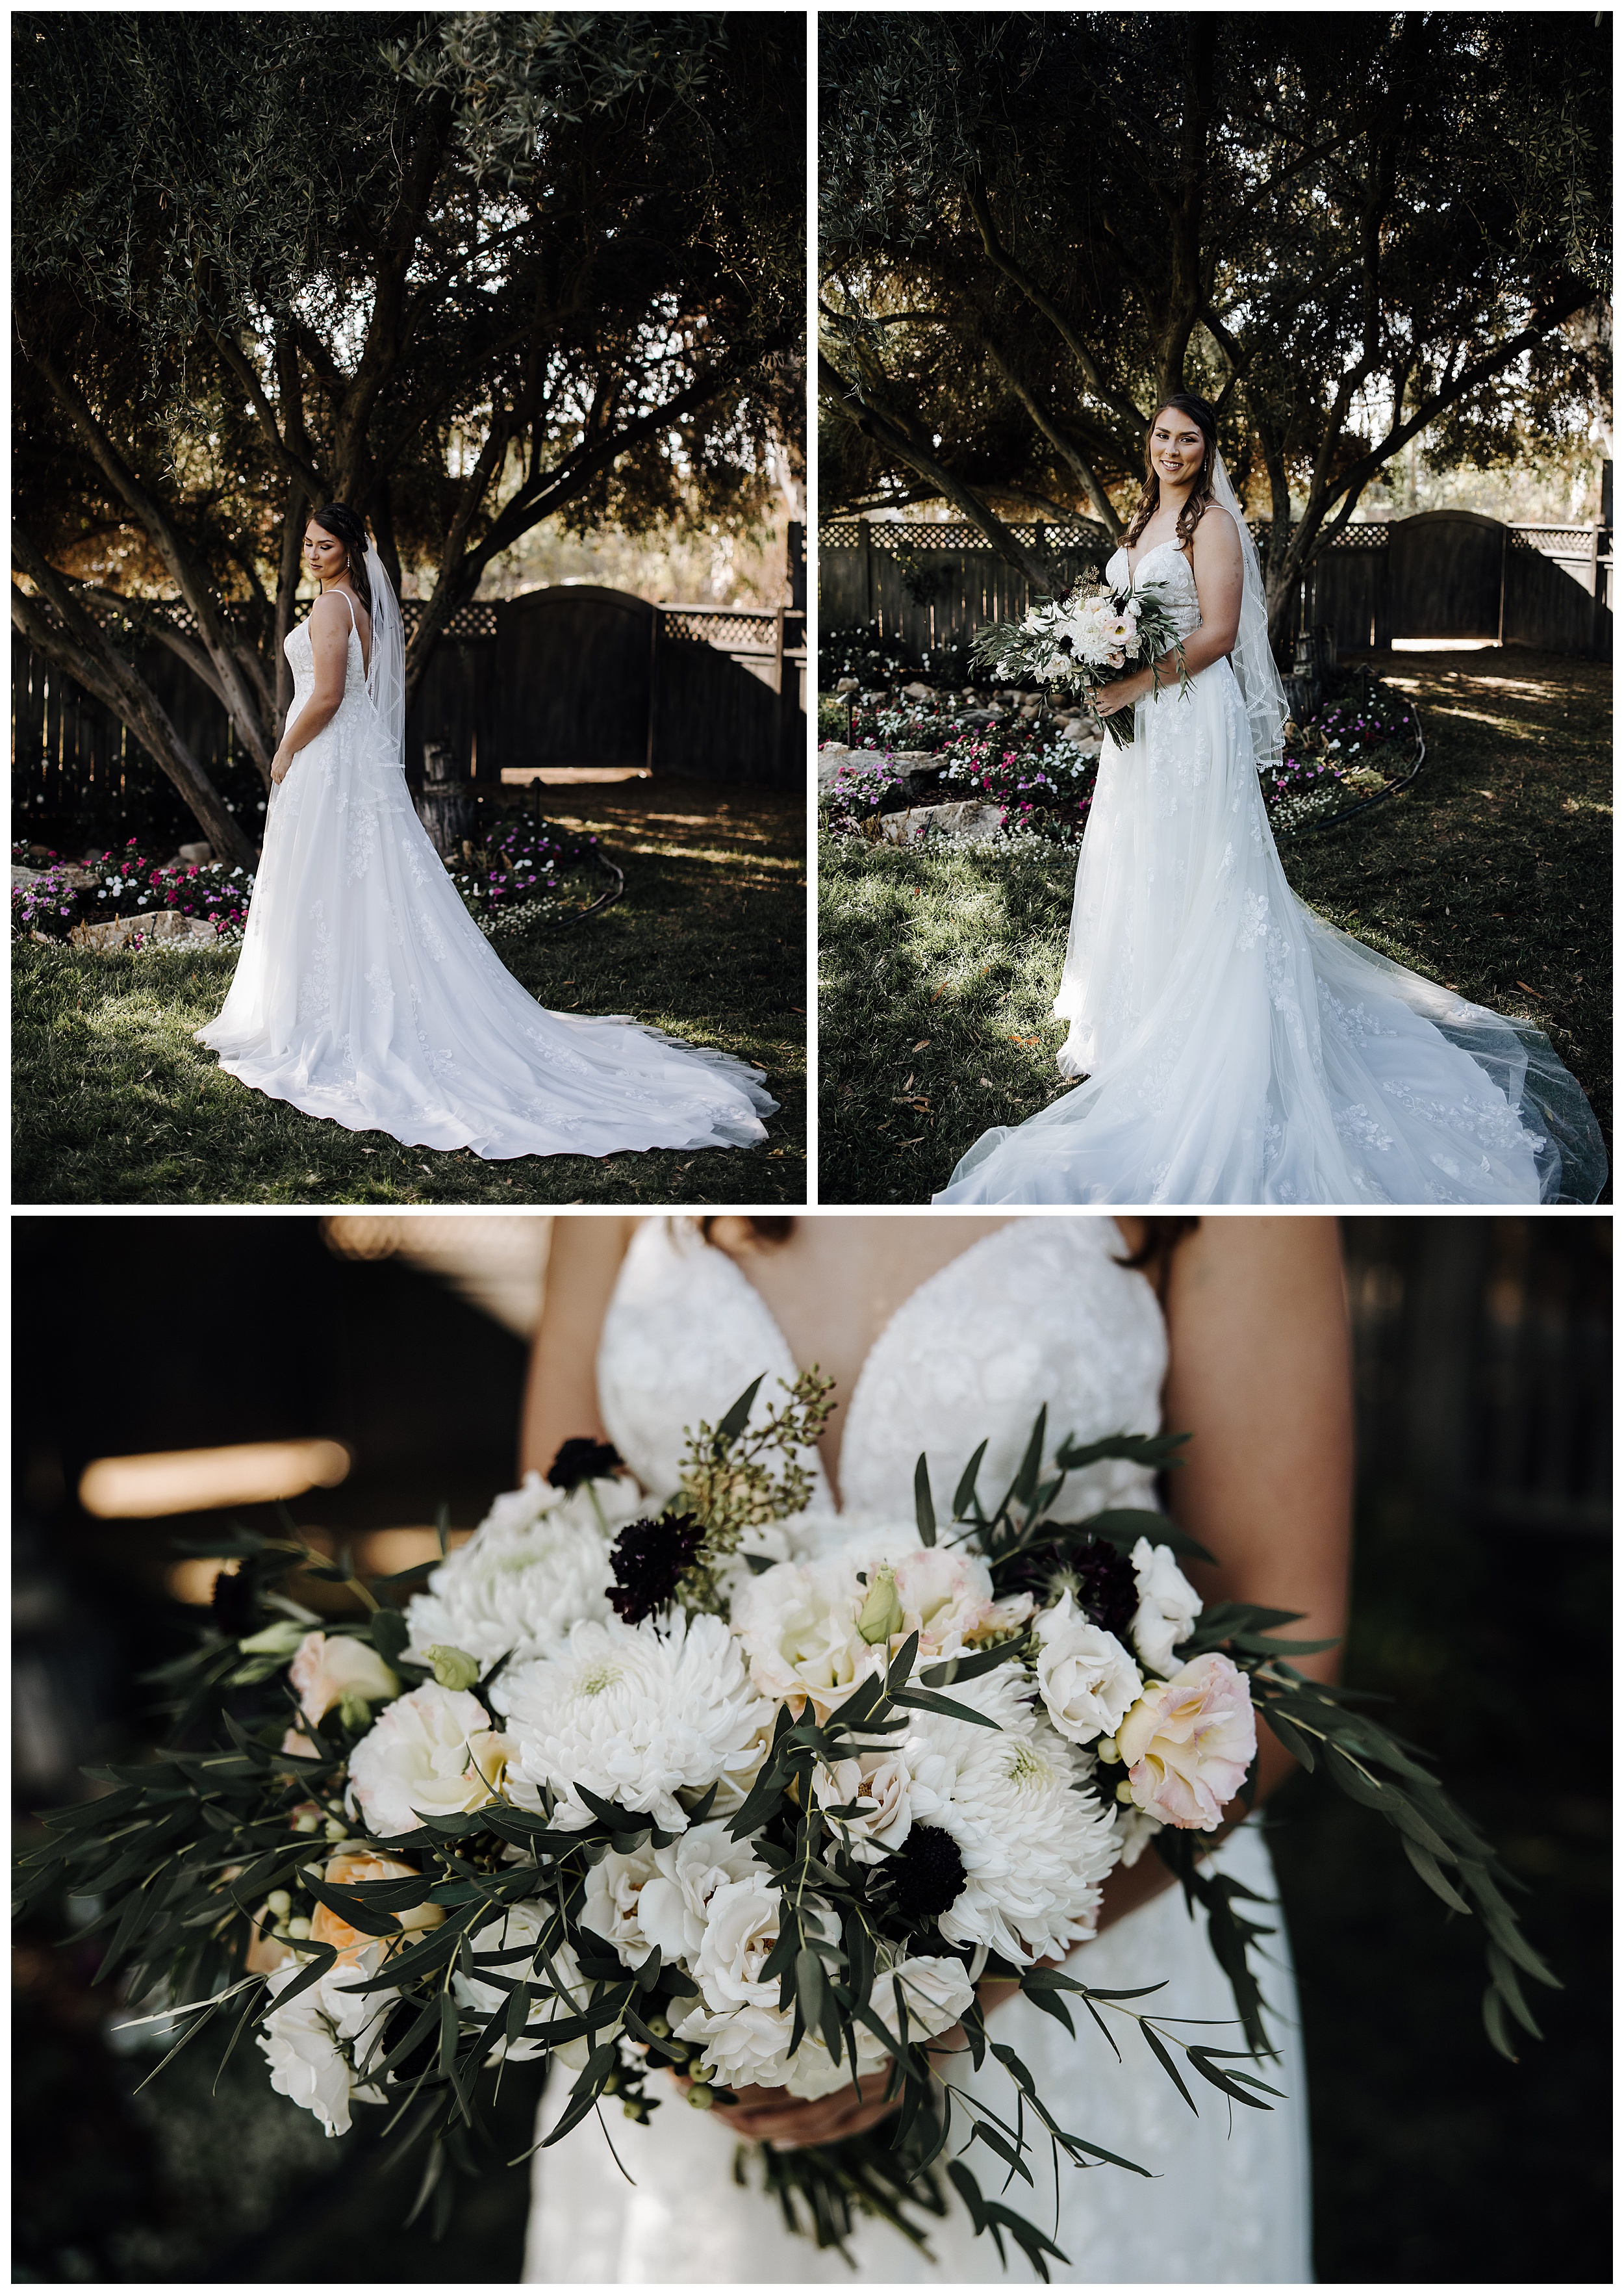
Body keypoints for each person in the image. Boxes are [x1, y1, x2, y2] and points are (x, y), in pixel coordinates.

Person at [515, 1211, 1351, 2281]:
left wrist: (961, 1985)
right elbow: (554, 1566)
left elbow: (1284, 1652)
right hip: (704, 1988)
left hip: (1079, 1973)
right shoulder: (627, 1169)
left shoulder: (1215, 1178)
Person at [933, 396, 1606, 1206]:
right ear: (1147, 442)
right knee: (1143, 857)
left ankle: (1205, 1024)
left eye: (1187, 438)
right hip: (1144, 720)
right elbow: (1119, 616)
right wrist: (1096, 657)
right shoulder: (1142, 522)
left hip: (1188, 717)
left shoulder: (1212, 524)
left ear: (1208, 448)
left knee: (1201, 868)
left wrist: (1131, 682)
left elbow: (1217, 633)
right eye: (1160, 435)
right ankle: (1138, 1014)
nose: (1171, 448)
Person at [195, 504, 776, 1160]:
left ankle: (318, 1015)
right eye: (306, 543)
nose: (312, 553)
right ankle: (330, 1001)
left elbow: (327, 696)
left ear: (350, 552)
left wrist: (284, 751)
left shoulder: (332, 608)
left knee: (329, 881)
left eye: (324, 545)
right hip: (352, 760)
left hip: (328, 757)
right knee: (353, 884)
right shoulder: (357, 605)